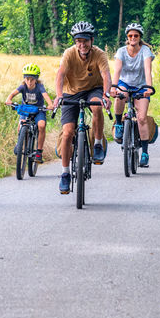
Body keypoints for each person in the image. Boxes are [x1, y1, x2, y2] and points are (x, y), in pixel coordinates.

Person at [51, 21, 112, 194]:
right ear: (75, 42)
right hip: (71, 92)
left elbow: (106, 75)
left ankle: (98, 144)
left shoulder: (99, 54)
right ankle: (65, 174)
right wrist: (59, 95)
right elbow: (60, 75)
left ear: (91, 40)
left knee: (97, 108)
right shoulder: (69, 53)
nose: (82, 44)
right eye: (78, 41)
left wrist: (106, 94)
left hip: (94, 89)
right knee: (68, 132)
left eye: (85, 40)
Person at [110, 22, 155, 167]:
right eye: (130, 35)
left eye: (136, 35)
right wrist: (113, 87)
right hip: (124, 83)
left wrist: (149, 87)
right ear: (127, 37)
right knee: (119, 96)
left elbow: (148, 70)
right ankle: (118, 124)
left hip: (141, 86)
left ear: (140, 37)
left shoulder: (145, 51)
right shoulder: (121, 51)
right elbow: (117, 71)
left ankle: (145, 153)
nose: (133, 38)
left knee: (141, 118)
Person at [4, 63, 52, 163]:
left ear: (36, 79)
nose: (29, 82)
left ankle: (39, 152)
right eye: (27, 79)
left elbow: (45, 95)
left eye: (32, 79)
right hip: (26, 110)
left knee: (41, 125)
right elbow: (13, 93)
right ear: (24, 79)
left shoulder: (39, 86)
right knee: (21, 123)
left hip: (38, 111)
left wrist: (50, 104)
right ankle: (19, 144)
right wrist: (8, 99)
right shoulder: (22, 86)